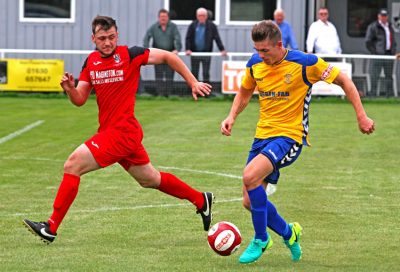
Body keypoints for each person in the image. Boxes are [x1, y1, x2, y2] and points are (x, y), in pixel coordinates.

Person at [23, 15, 214, 244]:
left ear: (117, 35)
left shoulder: (130, 54)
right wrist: (69, 89)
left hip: (122, 132)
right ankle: (201, 200)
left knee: (73, 164)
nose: (108, 42)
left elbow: (168, 56)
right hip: (113, 133)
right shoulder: (91, 62)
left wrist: (192, 82)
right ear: (93, 38)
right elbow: (80, 99)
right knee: (150, 179)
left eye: (111, 37)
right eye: (102, 38)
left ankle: (51, 227)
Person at [220, 20, 375, 264]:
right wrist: (231, 116)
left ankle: (261, 239)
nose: (260, 55)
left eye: (265, 51)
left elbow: (344, 81)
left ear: (279, 44)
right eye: (256, 50)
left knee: (249, 176)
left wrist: (362, 116)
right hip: (262, 135)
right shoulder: (255, 64)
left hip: (290, 136)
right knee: (249, 201)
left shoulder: (306, 63)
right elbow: (245, 91)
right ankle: (289, 233)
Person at [143, 9, 182, 97]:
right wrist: (147, 50)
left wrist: (177, 49)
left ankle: (168, 94)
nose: (163, 18)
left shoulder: (173, 27)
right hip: (157, 55)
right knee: (159, 75)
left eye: (165, 17)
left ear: (168, 17)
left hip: (170, 55)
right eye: (161, 17)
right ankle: (160, 93)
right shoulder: (154, 27)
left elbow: (177, 38)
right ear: (158, 18)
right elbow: (146, 38)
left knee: (169, 75)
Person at [185, 7, 227, 83]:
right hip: (194, 53)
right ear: (197, 16)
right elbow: (188, 38)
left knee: (206, 73)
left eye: (203, 15)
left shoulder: (211, 26)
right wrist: (188, 49)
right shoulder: (192, 25)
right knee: (194, 73)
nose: (201, 17)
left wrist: (222, 49)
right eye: (199, 15)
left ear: (206, 16)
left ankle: (206, 92)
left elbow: (217, 38)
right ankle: (194, 91)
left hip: (206, 53)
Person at [365, 8, 397, 96]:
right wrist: (374, 52)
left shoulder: (390, 26)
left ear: (387, 17)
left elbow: (392, 40)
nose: (384, 18)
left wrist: (393, 50)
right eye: (382, 16)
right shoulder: (373, 26)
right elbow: (368, 41)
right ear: (378, 16)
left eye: (385, 16)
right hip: (377, 55)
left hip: (388, 54)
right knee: (374, 75)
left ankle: (389, 95)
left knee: (389, 76)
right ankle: (373, 94)